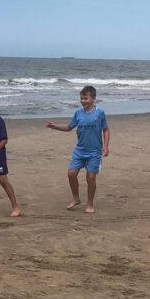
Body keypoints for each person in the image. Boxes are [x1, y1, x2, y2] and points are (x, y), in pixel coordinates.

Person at [46, 85, 109, 214]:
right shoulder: (78, 113)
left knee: (91, 177)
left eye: (86, 98)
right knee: (71, 174)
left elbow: (106, 129)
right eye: (81, 98)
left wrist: (106, 146)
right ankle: (76, 198)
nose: (83, 101)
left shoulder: (99, 113)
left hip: (94, 152)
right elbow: (69, 127)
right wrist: (55, 126)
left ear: (93, 98)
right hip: (80, 150)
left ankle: (90, 204)